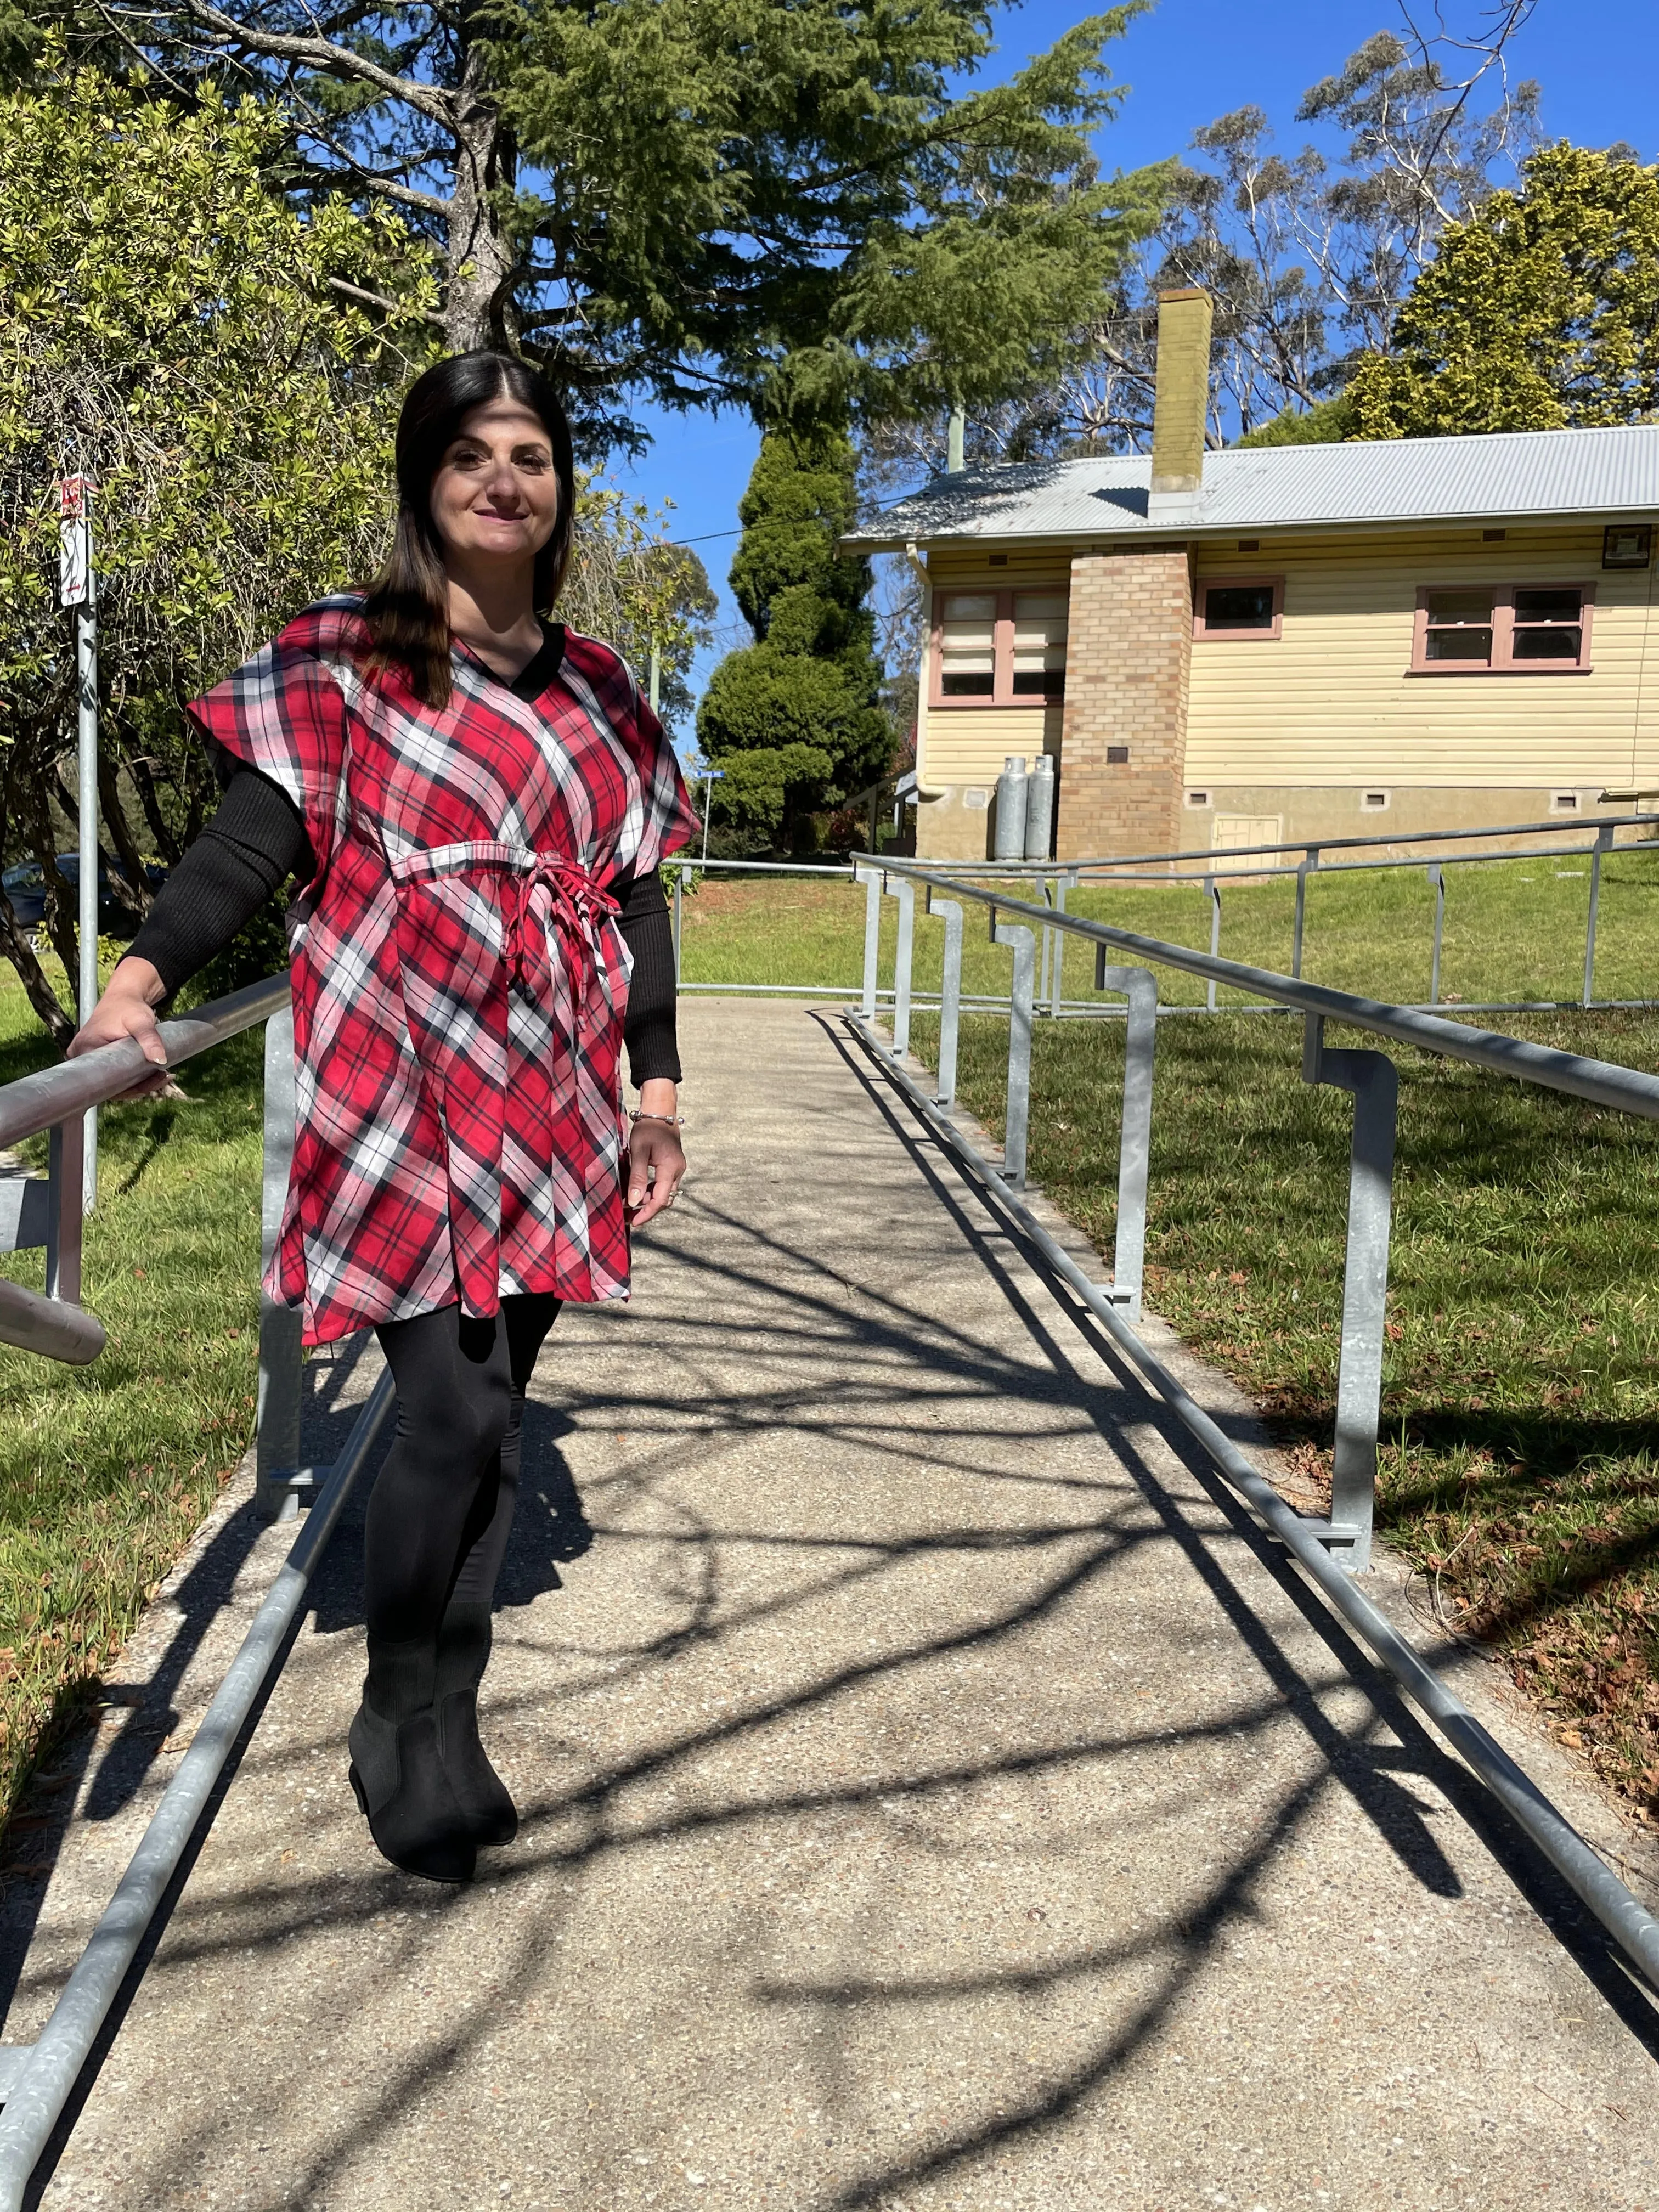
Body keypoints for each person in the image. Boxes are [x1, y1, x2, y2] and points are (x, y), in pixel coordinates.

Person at [70, 351, 698, 1884]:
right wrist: (140, 977)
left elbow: (634, 890)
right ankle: (393, 1709)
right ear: (428, 482)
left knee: (496, 1415)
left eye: (533, 454)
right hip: (394, 1067)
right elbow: (248, 839)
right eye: (472, 453)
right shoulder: (346, 658)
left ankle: (448, 1716)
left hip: (549, 1082)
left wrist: (656, 1084)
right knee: (456, 1408)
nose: (505, 478)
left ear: (560, 489)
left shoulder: (603, 686)